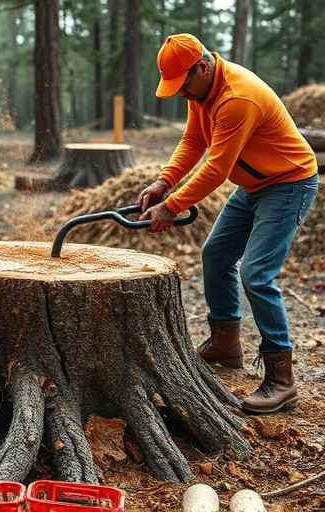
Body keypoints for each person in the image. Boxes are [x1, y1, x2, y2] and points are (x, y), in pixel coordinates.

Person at [137, 33, 319, 414]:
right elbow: (192, 141)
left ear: (201, 67)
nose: (181, 95)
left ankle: (281, 380)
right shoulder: (202, 93)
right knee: (216, 254)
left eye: (183, 85)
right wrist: (163, 181)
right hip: (253, 183)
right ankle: (225, 345)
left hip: (288, 183)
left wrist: (172, 206)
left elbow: (217, 169)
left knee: (257, 274)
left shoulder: (237, 97)